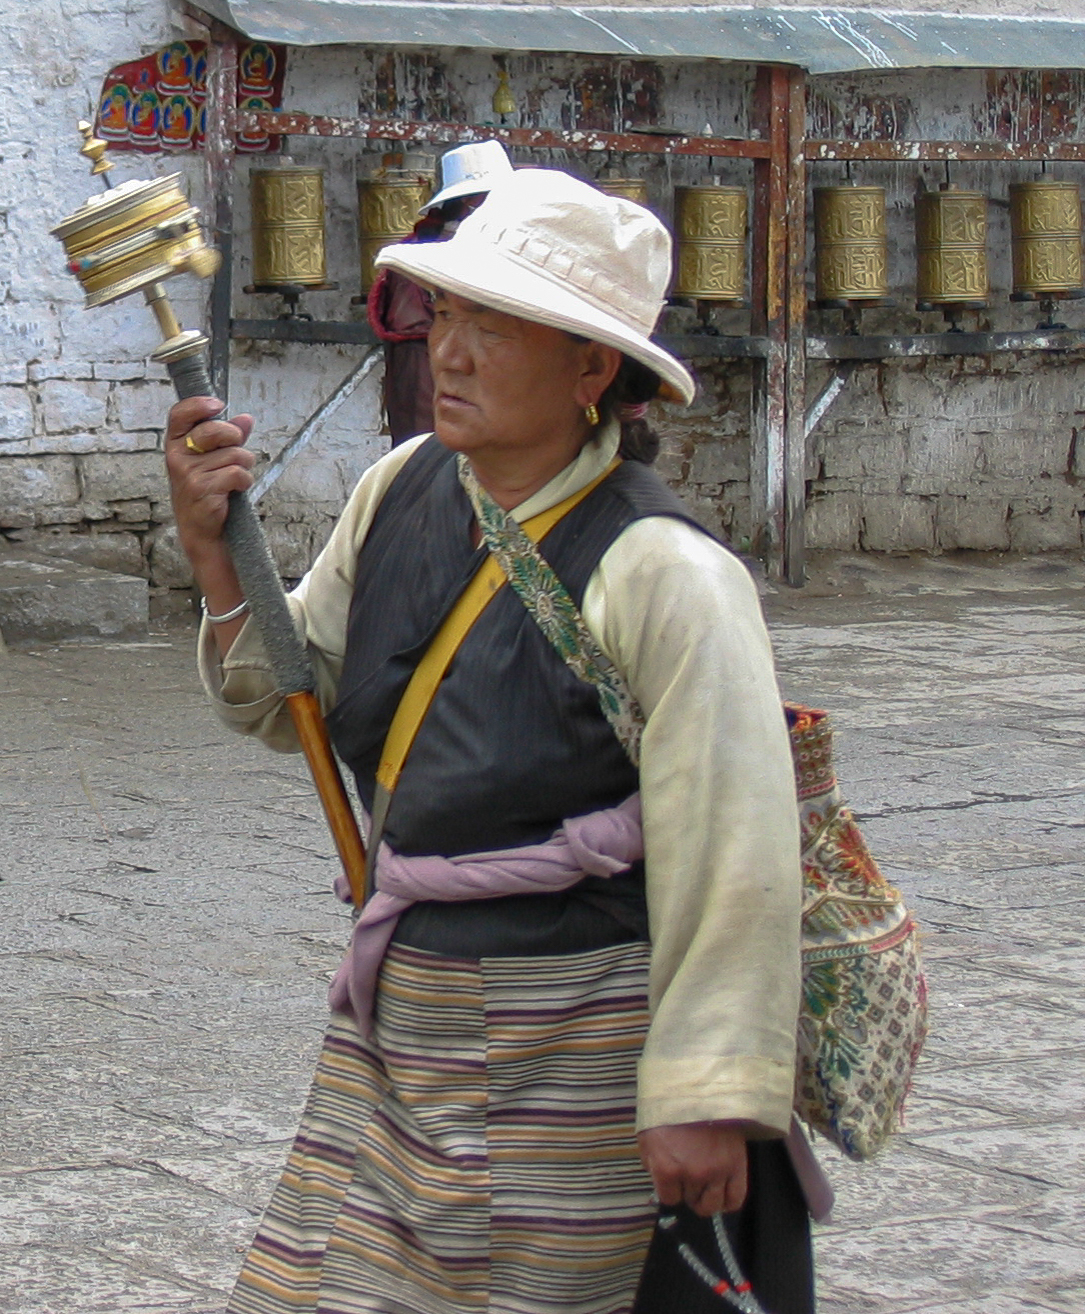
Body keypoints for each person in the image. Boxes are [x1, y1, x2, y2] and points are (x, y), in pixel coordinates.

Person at [165, 169, 811, 1314]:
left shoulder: (668, 572)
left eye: (493, 328)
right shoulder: (402, 486)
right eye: (445, 318)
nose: (448, 356)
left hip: (571, 1040)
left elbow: (739, 844)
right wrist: (217, 552)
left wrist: (704, 1089)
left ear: (590, 369)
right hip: (403, 1012)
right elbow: (291, 698)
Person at [367, 139, 514, 445]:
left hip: (458, 375)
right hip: (425, 375)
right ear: (470, 202)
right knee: (428, 461)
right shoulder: (426, 253)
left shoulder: (478, 246)